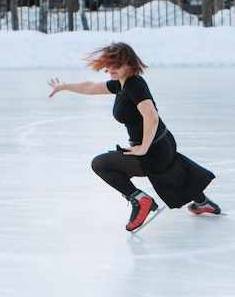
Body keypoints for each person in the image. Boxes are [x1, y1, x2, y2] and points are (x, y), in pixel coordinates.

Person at [48, 42, 221, 231]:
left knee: (100, 164)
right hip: (162, 143)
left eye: (116, 65)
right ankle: (202, 202)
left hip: (154, 148)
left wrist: (143, 148)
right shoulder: (122, 84)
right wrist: (63, 87)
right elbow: (91, 87)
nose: (111, 69)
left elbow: (151, 116)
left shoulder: (134, 85)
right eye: (108, 65)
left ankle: (139, 200)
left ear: (129, 63)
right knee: (174, 171)